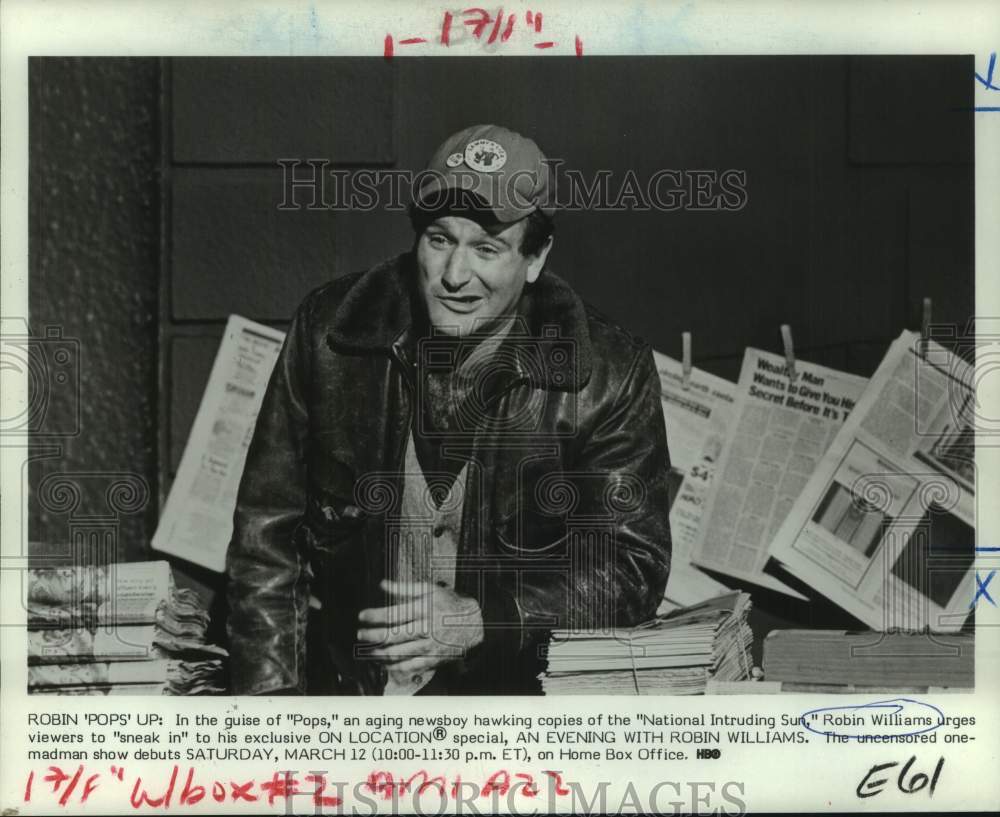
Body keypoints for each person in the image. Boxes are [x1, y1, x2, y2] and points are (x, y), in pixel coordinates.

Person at [225, 124, 672, 695]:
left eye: (487, 248)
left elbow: (631, 567)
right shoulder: (331, 333)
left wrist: (485, 618)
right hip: (350, 699)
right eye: (440, 240)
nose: (456, 277)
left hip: (510, 713)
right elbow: (266, 536)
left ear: (535, 258)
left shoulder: (607, 373)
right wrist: (274, 719)